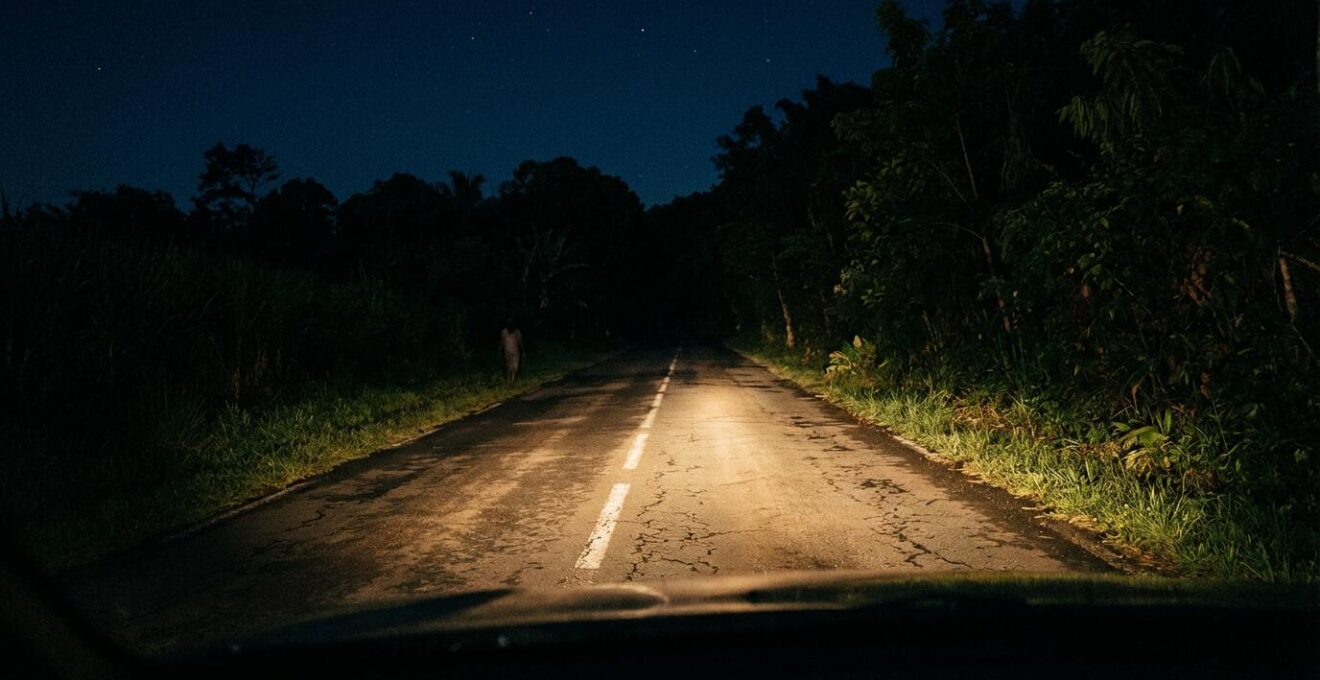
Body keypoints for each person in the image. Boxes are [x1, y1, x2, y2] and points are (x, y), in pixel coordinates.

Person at [500, 319, 523, 384]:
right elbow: (502, 341)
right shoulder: (504, 332)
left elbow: (520, 342)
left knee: (514, 366)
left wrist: (522, 350)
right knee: (509, 366)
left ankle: (512, 380)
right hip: (508, 351)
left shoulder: (517, 332)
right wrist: (500, 348)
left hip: (515, 351)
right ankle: (509, 380)